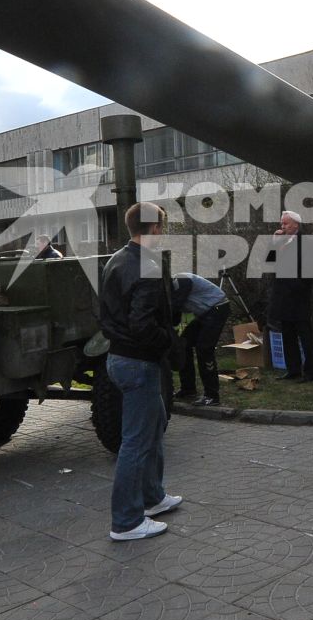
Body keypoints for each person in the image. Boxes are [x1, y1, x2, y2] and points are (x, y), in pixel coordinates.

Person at [97, 203, 181, 541]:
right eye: (162, 224)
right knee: (135, 441)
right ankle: (127, 521)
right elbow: (142, 323)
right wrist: (168, 343)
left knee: (154, 424)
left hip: (120, 358)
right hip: (138, 362)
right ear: (156, 227)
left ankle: (153, 498)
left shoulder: (118, 258)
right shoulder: (146, 265)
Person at [266, 210, 313, 382]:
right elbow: (269, 262)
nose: (282, 227)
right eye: (282, 223)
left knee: (305, 335)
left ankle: (310, 372)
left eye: (286, 223)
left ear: (296, 224)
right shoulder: (281, 241)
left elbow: (309, 271)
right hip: (283, 297)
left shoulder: (306, 243)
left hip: (298, 296)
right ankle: (293, 369)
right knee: (287, 335)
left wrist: (298, 288)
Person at [172, 272, 232, 407]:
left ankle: (212, 395)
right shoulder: (172, 285)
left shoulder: (181, 280)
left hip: (217, 307)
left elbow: (175, 306)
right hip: (201, 311)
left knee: (204, 349)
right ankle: (188, 389)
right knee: (183, 343)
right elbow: (176, 314)